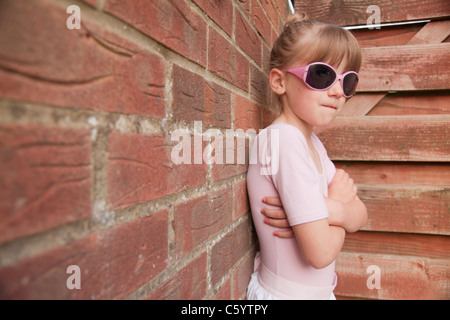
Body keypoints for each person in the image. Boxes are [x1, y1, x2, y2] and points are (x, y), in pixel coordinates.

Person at [246, 14, 368, 300]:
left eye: (347, 81)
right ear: (279, 82)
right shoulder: (283, 140)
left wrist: (327, 208)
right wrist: (339, 207)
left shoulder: (312, 144)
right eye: (322, 75)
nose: (338, 92)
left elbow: (360, 214)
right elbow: (320, 252)